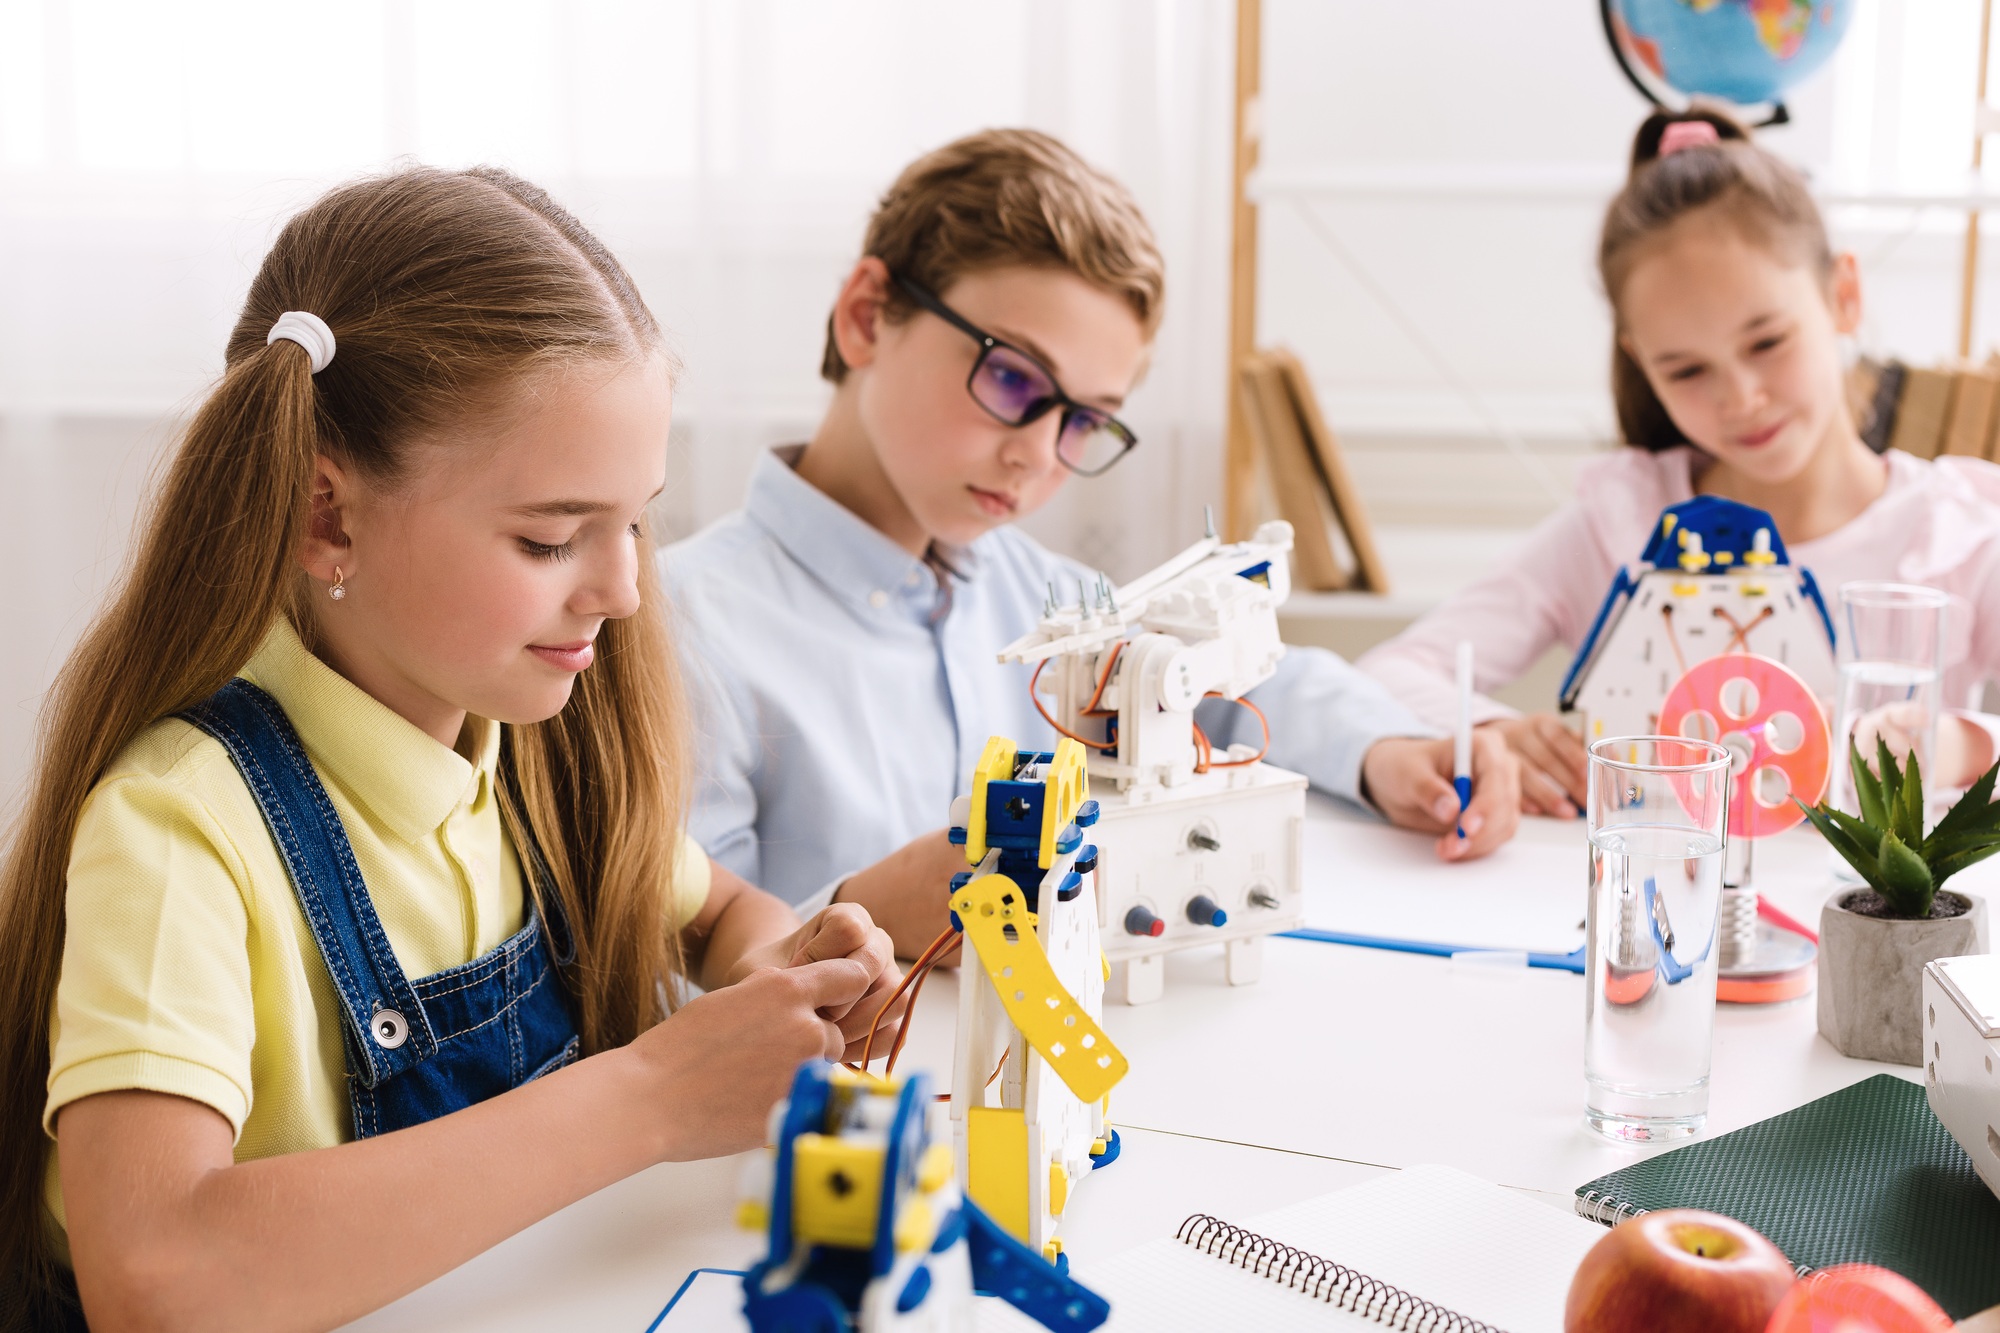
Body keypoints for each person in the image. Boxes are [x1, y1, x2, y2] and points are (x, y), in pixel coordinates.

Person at [0, 166, 903, 1332]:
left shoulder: (527, 748)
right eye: (549, 537)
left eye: (635, 521)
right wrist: (651, 1097)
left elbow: (712, 907)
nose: (624, 589)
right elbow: (159, 1274)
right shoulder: (180, 825)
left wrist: (779, 957)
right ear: (329, 516)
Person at [665, 129, 1521, 959]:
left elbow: (1241, 681)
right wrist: (869, 912)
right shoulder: (680, 632)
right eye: (1012, 378)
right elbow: (683, 981)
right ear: (865, 317)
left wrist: (1388, 752)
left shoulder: (1041, 593)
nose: (1038, 454)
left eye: (1084, 420)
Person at [1360, 108, 2000, 817]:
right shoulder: (1624, 523)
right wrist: (1489, 730)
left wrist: (1961, 743)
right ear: (1642, 363)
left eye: (1767, 343)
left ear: (1843, 296)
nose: (1742, 398)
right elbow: (1390, 671)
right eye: (1687, 369)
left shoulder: (1956, 534)